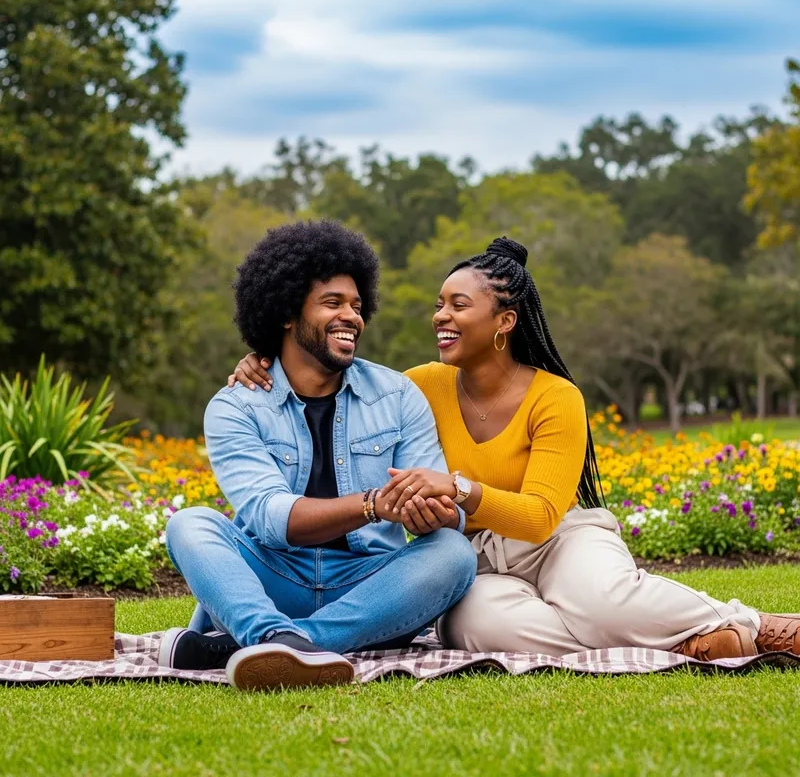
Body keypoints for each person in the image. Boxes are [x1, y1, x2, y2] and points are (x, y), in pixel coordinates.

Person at [232, 236, 800, 661]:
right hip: (473, 558)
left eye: (458, 305)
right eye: (439, 304)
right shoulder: (417, 387)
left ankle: (753, 624)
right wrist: (266, 360)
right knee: (478, 629)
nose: (440, 316)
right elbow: (337, 377)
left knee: (598, 599)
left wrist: (459, 488)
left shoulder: (556, 397)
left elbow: (539, 517)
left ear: (504, 321)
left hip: (559, 541)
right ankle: (680, 645)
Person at [162, 220, 477, 691]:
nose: (351, 317)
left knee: (453, 553)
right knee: (190, 524)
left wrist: (434, 511)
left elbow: (441, 503)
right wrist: (373, 504)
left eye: (357, 306)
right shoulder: (236, 406)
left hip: (367, 587)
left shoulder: (398, 395)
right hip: (273, 577)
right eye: (333, 303)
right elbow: (272, 518)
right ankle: (278, 635)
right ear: (287, 313)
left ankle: (275, 644)